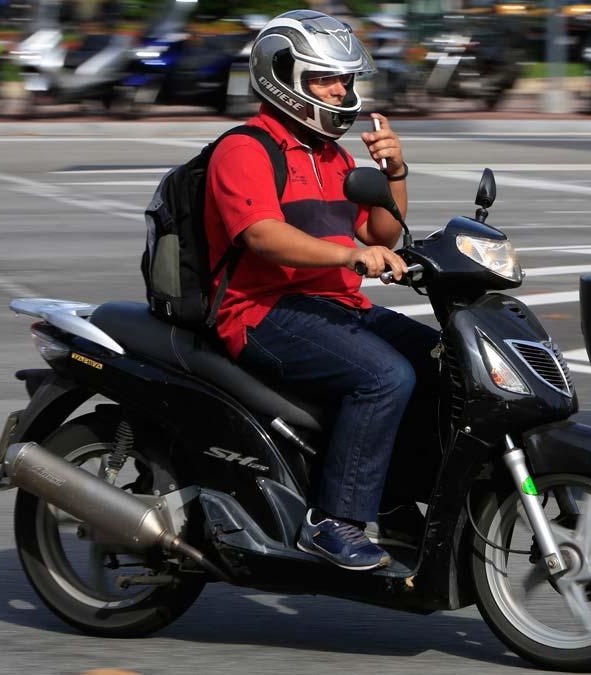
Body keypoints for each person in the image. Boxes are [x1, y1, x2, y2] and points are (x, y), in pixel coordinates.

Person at [204, 9, 439, 572]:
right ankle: (333, 522)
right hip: (260, 312)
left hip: (334, 305)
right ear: (281, 77)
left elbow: (378, 232)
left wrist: (395, 173)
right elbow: (263, 236)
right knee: (385, 376)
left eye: (346, 80)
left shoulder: (332, 156)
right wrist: (350, 255)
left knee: (442, 363)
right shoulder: (244, 149)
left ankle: (397, 502)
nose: (342, 91)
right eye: (325, 79)